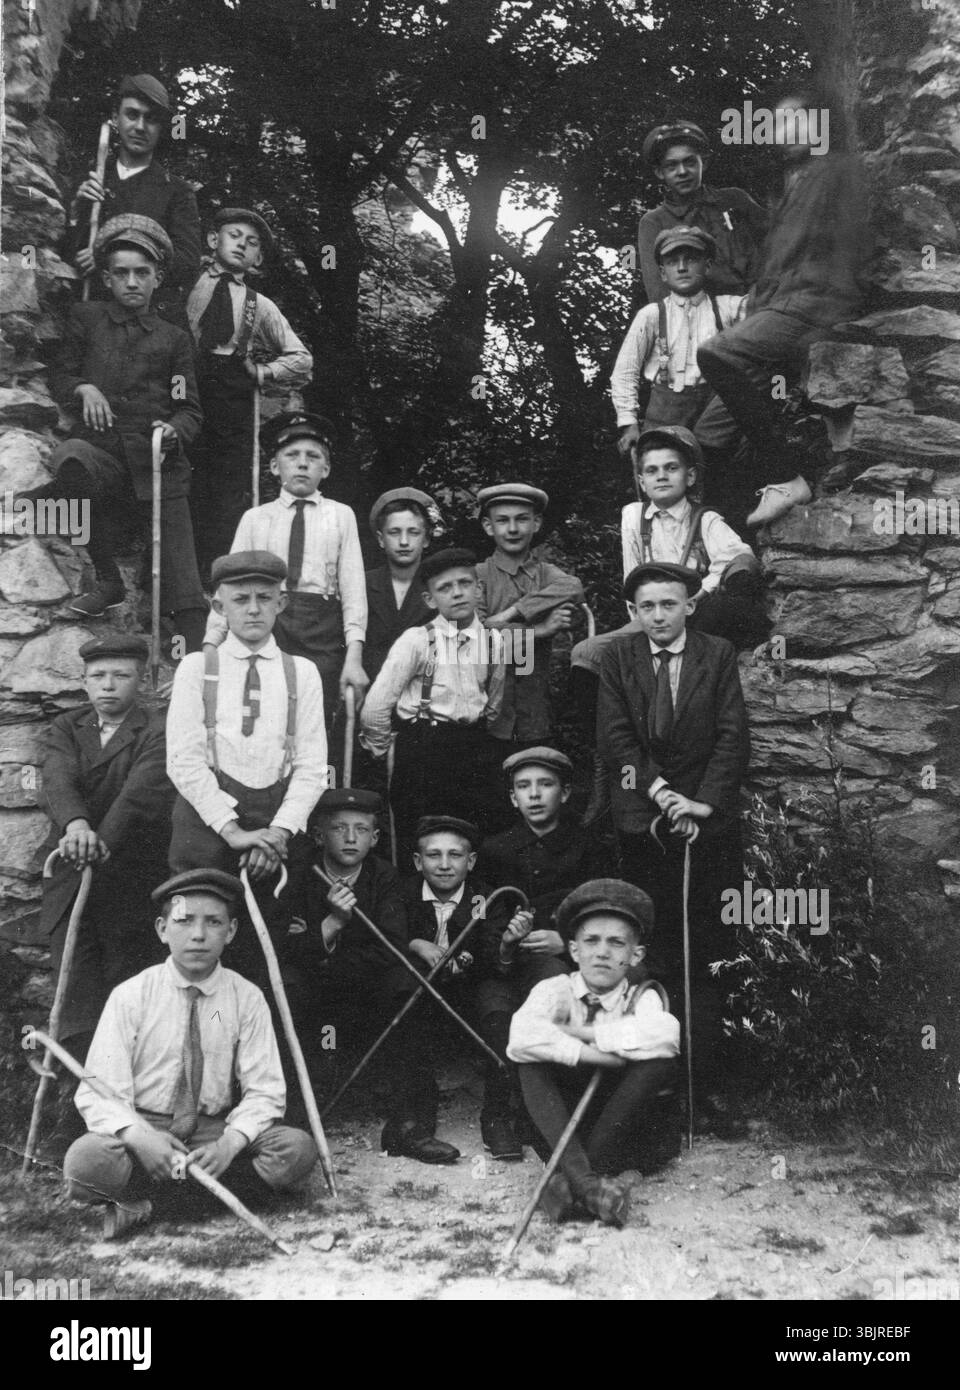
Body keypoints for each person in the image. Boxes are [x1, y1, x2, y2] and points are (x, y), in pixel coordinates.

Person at [62, 869, 317, 1239]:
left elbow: (266, 1090)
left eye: (213, 922)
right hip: (146, 1128)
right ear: (163, 929)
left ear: (230, 932)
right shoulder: (131, 995)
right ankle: (204, 1193)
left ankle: (148, 1204)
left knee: (296, 1150)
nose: (198, 935)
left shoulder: (246, 998)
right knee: (84, 1165)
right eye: (184, 921)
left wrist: (229, 1145)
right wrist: (139, 1137)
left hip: (210, 1129)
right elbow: (99, 1090)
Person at [597, 562, 750, 1136]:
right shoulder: (619, 658)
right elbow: (616, 738)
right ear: (633, 613)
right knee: (654, 946)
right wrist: (663, 796)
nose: (657, 616)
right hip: (647, 818)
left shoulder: (718, 653)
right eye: (646, 607)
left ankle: (705, 1084)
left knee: (708, 948)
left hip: (707, 824)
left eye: (668, 604)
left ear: (689, 605)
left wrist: (704, 804)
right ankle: (654, 1081)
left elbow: (733, 732)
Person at [695, 86, 870, 525]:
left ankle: (786, 477)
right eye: (775, 124)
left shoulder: (840, 172)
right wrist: (758, 303)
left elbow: (849, 251)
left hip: (816, 305)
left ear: (824, 124)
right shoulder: (796, 184)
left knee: (716, 352)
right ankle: (724, 550)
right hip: (779, 312)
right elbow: (776, 264)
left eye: (795, 120)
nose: (782, 132)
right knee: (706, 436)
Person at [571, 427, 763, 823]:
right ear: (641, 480)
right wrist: (642, 618)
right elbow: (631, 576)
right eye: (652, 470)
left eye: (671, 468)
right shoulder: (632, 517)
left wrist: (698, 594)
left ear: (689, 476)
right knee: (586, 653)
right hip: (649, 616)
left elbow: (739, 556)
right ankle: (604, 770)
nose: (661, 476)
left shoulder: (705, 519)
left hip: (693, 614)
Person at [33, 214, 206, 647]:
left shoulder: (173, 339)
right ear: (107, 278)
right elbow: (60, 374)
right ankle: (108, 581)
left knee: (180, 559)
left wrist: (173, 429)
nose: (132, 282)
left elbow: (188, 408)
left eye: (142, 273)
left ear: (157, 278)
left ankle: (191, 643)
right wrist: (83, 387)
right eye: (122, 273)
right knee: (71, 461)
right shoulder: (86, 318)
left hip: (155, 460)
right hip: (104, 455)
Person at [166, 551, 328, 973]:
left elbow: (312, 766)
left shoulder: (302, 672)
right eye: (240, 599)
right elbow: (182, 761)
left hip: (275, 821)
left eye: (264, 597)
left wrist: (277, 833)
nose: (253, 609)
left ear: (282, 602)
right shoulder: (196, 668)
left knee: (264, 947)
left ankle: (256, 1034)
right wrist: (232, 830)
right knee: (198, 938)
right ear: (218, 606)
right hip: (205, 824)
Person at [282, 789, 461, 1165]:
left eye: (361, 829)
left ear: (375, 838)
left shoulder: (383, 876)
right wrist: (334, 922)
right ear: (318, 835)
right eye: (339, 829)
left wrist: (321, 946)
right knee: (289, 988)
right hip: (315, 994)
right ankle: (294, 1119)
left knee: (406, 986)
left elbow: (391, 946)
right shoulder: (300, 875)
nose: (350, 838)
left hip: (363, 990)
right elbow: (287, 949)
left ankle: (410, 1126)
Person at [30, 636, 173, 1067]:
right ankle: (78, 1095)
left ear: (142, 679)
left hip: (130, 875)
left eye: (121, 675)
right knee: (74, 989)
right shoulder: (66, 727)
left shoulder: (157, 729)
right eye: (98, 676)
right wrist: (76, 825)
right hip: (72, 874)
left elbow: (139, 795)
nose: (108, 685)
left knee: (125, 985)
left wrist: (99, 839)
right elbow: (58, 779)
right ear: (84, 681)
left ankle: (130, 1094)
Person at [508, 879, 680, 1225]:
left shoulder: (642, 995)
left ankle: (569, 1183)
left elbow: (666, 1034)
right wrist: (596, 1054)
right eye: (591, 941)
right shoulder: (556, 989)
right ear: (573, 951)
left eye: (617, 944)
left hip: (620, 1125)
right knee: (530, 1060)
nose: (602, 952)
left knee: (657, 1060)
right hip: (562, 1121)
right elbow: (521, 1035)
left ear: (636, 956)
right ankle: (590, 1186)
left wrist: (582, 1032)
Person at [203, 413, 367, 730]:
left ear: (326, 469)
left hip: (322, 631)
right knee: (266, 715)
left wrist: (354, 657)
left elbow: (354, 591)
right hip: (267, 623)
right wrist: (212, 643)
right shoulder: (256, 518)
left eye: (313, 457)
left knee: (313, 720)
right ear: (276, 467)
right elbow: (229, 586)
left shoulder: (341, 515)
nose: (302, 464)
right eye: (292, 455)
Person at [360, 547, 511, 866]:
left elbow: (495, 697)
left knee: (471, 832)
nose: (457, 593)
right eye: (445, 588)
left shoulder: (494, 641)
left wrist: (480, 730)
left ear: (478, 589)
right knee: (417, 832)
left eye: (464, 583)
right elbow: (375, 707)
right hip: (423, 748)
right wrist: (383, 750)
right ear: (430, 600)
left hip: (472, 746)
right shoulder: (416, 640)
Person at [187, 209, 313, 572]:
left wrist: (261, 371)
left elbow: (301, 359)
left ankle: (221, 573)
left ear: (257, 258)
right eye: (234, 235)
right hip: (186, 388)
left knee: (227, 486)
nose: (242, 244)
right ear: (214, 240)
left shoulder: (260, 305)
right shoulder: (188, 283)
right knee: (184, 475)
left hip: (231, 398)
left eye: (252, 242)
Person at [402, 815, 520, 1160]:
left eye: (455, 856)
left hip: (469, 985)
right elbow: (387, 934)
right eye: (433, 855)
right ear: (417, 861)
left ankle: (497, 1118)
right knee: (405, 1004)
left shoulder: (485, 898)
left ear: (470, 862)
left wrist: (467, 959)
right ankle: (415, 1118)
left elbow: (491, 951)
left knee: (498, 1010)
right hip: (421, 983)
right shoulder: (404, 892)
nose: (443, 865)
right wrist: (415, 944)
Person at [68, 74, 201, 321]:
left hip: (150, 325)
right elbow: (58, 251)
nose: (140, 126)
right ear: (116, 118)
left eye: (151, 119)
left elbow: (188, 264)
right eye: (132, 114)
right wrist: (75, 212)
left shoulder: (178, 192)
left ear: (161, 128)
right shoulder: (89, 180)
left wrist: (108, 259)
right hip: (91, 318)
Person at [611, 227, 744, 457]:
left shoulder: (729, 308)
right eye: (673, 262)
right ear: (663, 273)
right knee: (664, 476)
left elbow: (767, 314)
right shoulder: (651, 314)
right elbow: (625, 372)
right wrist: (629, 423)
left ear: (708, 266)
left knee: (717, 476)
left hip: (714, 411)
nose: (682, 268)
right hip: (665, 412)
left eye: (691, 260)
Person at [475, 484, 584, 745]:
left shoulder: (547, 574)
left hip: (534, 704)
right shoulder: (477, 575)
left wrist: (511, 613)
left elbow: (573, 587)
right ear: (489, 527)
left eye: (522, 519)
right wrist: (541, 630)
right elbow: (477, 636)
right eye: (503, 521)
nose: (512, 529)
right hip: (485, 703)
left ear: (536, 524)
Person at [480, 746, 611, 963]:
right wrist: (505, 946)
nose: (534, 794)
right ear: (513, 797)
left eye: (546, 784)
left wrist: (569, 942)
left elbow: (604, 911)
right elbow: (482, 916)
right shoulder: (494, 850)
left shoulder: (589, 847)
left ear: (565, 792)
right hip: (510, 965)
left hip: (574, 961)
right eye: (523, 786)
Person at [637, 120, 767, 306]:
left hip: (765, 308)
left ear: (703, 163)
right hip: (705, 323)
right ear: (660, 172)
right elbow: (660, 294)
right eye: (671, 166)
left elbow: (781, 245)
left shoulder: (734, 200)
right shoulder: (654, 222)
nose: (682, 172)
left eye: (689, 162)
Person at [364, 488, 439, 684]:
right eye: (394, 532)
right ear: (381, 539)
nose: (404, 542)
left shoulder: (440, 587)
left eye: (413, 532)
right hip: (371, 690)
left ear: (427, 539)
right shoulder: (362, 584)